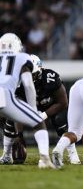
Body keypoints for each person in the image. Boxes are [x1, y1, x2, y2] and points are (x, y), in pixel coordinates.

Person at [0, 54, 80, 165]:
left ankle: (73, 154)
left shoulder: (50, 78)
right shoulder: (17, 83)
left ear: (39, 70)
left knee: (60, 119)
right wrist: (19, 135)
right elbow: (15, 107)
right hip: (29, 108)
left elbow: (63, 103)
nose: (29, 78)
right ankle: (6, 155)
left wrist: (43, 115)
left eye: (32, 75)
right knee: (10, 118)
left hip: (49, 107)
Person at [0, 33, 54, 168]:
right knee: (38, 121)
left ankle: (6, 156)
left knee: (8, 122)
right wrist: (33, 110)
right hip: (4, 94)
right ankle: (44, 159)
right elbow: (29, 85)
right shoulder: (22, 57)